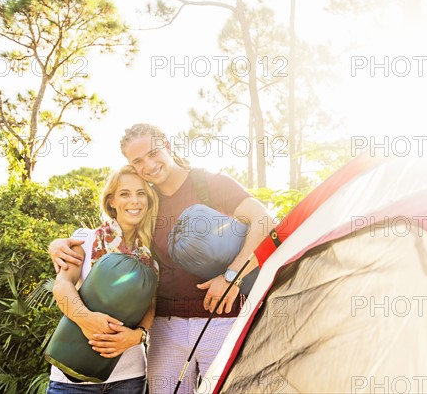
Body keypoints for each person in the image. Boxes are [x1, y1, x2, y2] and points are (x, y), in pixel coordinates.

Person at [50, 123, 275, 393]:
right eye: (138, 161)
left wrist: (232, 277)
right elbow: (116, 236)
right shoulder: (146, 200)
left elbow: (266, 222)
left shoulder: (209, 183)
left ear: (167, 146)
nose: (149, 164)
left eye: (153, 153)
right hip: (165, 328)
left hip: (221, 319)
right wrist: (62, 243)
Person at [47, 165, 159, 394]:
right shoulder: (84, 241)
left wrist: (137, 337)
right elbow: (62, 285)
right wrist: (86, 319)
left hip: (129, 377)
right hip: (71, 379)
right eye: (125, 194)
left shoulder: (150, 259)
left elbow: (150, 309)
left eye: (141, 193)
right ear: (111, 202)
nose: (134, 201)